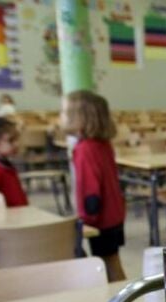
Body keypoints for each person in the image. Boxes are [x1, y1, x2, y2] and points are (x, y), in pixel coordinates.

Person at [62, 90, 127, 282]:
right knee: (112, 261)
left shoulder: (85, 149)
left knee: (107, 264)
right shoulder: (102, 144)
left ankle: (121, 297)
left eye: (65, 112)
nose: (62, 116)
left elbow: (90, 190)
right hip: (114, 213)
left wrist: (85, 220)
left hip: (100, 218)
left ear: (79, 117)